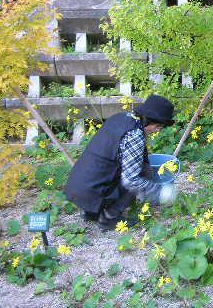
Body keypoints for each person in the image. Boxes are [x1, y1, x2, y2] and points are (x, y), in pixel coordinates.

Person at [64, 95, 178, 230]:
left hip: (79, 186)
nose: (158, 130)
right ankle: (109, 217)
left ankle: (91, 212)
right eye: (158, 126)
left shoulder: (121, 118)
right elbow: (131, 180)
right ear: (148, 120)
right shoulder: (134, 134)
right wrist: (160, 192)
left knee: (122, 168)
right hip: (92, 190)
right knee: (140, 173)